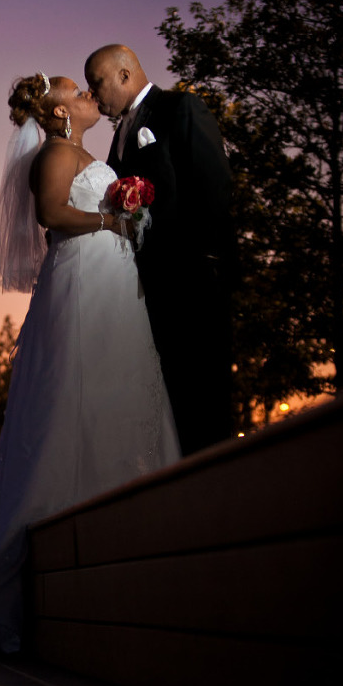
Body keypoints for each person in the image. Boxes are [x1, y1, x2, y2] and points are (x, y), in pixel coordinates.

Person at [0, 70, 180, 660]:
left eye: (89, 90)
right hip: (82, 283)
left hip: (113, 280)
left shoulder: (87, 150)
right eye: (76, 91)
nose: (88, 96)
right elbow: (54, 216)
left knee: (122, 390)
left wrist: (133, 218)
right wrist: (113, 219)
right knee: (75, 396)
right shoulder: (56, 154)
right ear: (58, 112)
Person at [85, 43, 236, 455]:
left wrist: (208, 266)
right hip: (145, 293)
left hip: (191, 283)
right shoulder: (118, 136)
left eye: (96, 84)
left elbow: (214, 187)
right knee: (169, 405)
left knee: (203, 402)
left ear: (124, 74)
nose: (94, 96)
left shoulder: (179, 108)